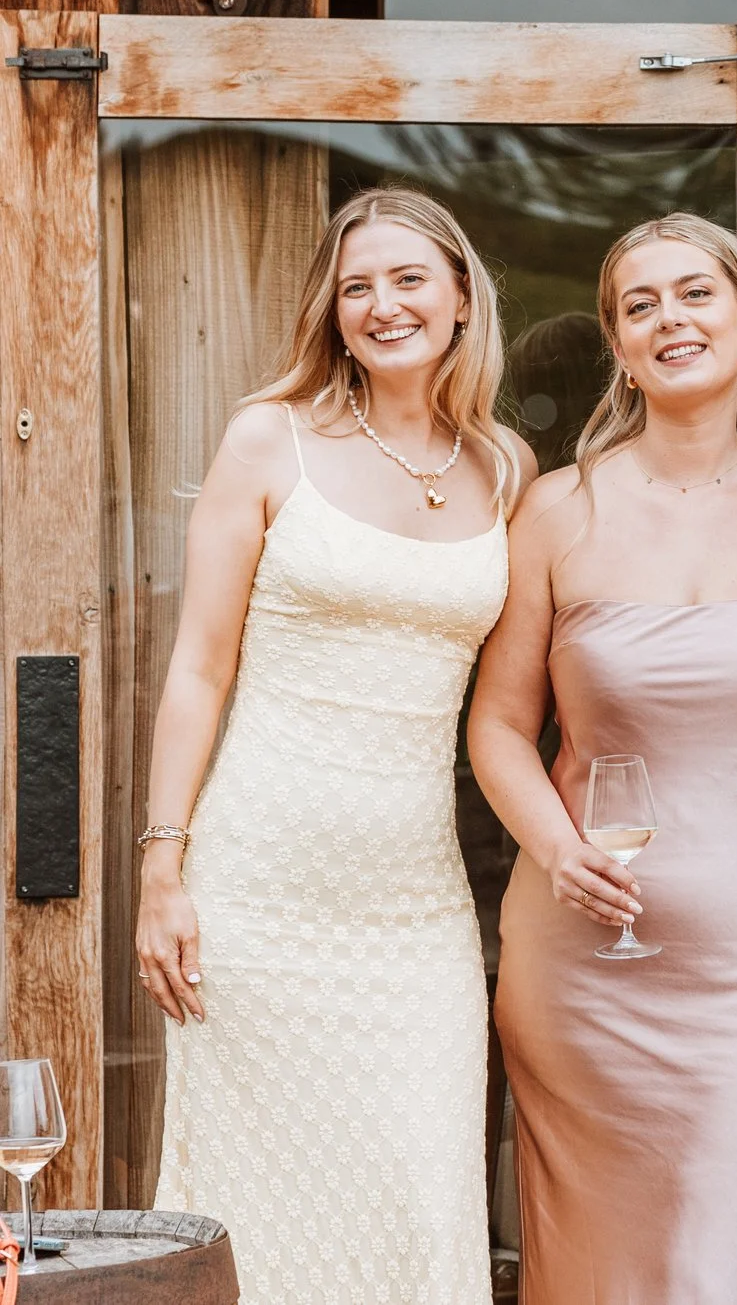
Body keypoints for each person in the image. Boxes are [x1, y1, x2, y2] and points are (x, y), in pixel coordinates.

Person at [138, 188, 530, 1305]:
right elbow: (199, 666)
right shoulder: (272, 436)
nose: (382, 304)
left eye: (409, 279)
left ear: (461, 298)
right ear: (333, 309)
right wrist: (163, 866)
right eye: (358, 285)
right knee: (256, 1205)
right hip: (259, 893)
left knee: (423, 1199)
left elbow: (518, 697)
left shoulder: (508, 469)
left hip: (414, 910)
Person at [469, 214, 737, 1305]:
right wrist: (555, 845)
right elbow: (497, 724)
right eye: (641, 305)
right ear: (620, 348)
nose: (670, 319)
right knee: (585, 1263)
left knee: (718, 1261)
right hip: (576, 959)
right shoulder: (555, 508)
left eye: (696, 295)